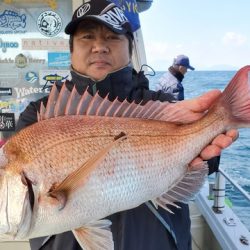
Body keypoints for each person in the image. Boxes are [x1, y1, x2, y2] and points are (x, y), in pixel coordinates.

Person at [16, 1, 238, 249]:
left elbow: (205, 163)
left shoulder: (161, 106)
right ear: (71, 51)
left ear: (130, 48)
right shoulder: (37, 117)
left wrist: (210, 140)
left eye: (112, 37)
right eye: (87, 37)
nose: (99, 47)